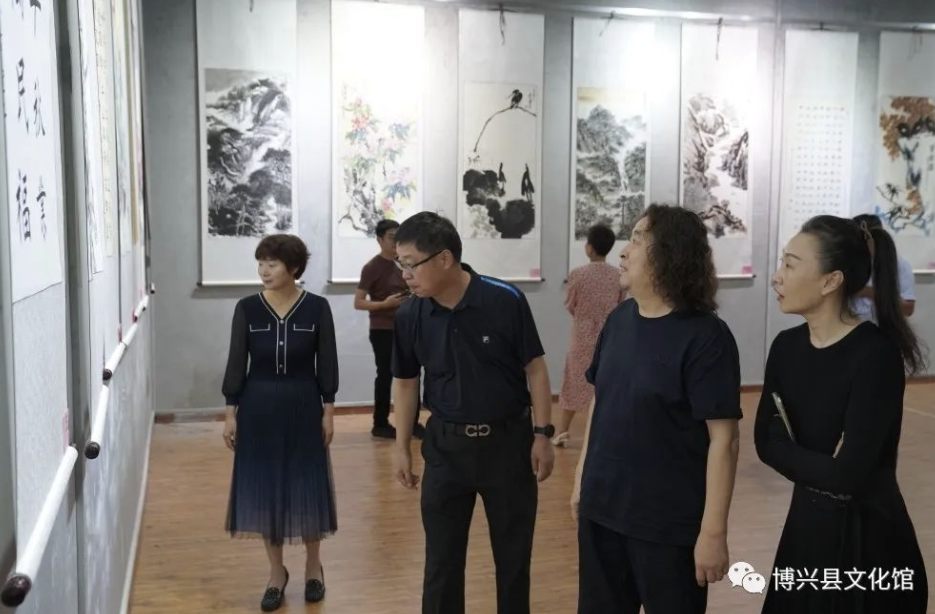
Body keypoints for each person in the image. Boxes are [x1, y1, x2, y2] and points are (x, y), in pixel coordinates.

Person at [571, 204, 742, 614]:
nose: (623, 251)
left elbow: (725, 441)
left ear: (670, 254)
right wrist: (581, 479)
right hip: (603, 508)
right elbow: (601, 401)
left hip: (667, 523)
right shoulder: (619, 319)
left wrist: (713, 532)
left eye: (636, 240)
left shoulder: (706, 337)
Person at [756, 215, 928, 613]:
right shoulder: (785, 347)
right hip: (807, 526)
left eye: (790, 265)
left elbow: (850, 473)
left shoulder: (875, 355)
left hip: (868, 540)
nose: (777, 277)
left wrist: (802, 458)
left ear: (830, 281)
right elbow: (766, 442)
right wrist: (827, 467)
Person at [389, 211, 555, 614]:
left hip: (508, 447)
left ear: (444, 259)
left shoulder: (504, 300)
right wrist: (401, 447)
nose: (405, 275)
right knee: (441, 564)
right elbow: (407, 383)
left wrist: (543, 434)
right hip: (446, 449)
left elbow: (535, 369)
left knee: (513, 560)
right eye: (400, 264)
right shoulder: (410, 315)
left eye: (411, 264)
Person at [222, 234, 337, 611]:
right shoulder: (247, 308)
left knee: (307, 483)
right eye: (260, 263)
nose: (264, 270)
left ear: (294, 267)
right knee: (265, 486)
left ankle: (314, 567)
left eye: (272, 264)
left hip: (304, 403)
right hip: (258, 406)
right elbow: (236, 362)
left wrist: (329, 410)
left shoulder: (317, 307)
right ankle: (276, 573)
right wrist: (230, 412)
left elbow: (327, 362)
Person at [553, 224, 624, 447]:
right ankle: (607, 434)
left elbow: (570, 304)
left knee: (574, 381)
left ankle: (562, 432)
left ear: (589, 248)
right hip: (609, 337)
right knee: (605, 384)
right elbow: (620, 304)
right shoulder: (617, 275)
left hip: (581, 336)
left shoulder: (577, 274)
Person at [354, 219, 425, 439]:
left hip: (409, 326)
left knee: (413, 373)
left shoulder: (406, 264)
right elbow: (359, 302)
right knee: (385, 374)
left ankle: (412, 423)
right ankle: (380, 423)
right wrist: (385, 304)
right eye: (392, 237)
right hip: (382, 328)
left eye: (399, 236)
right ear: (379, 239)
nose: (396, 241)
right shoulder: (372, 267)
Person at [851, 213, 916, 320]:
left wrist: (872, 293)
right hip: (852, 326)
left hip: (884, 327)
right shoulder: (847, 261)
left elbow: (908, 309)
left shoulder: (900, 265)